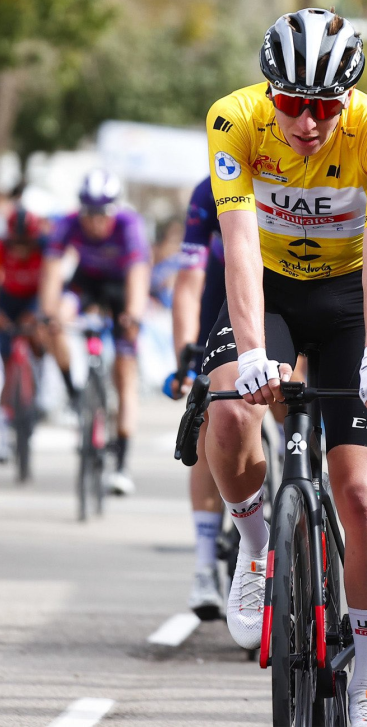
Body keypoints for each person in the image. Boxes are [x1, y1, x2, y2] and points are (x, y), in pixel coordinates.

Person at [204, 8, 367, 726]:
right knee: (230, 410)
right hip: (270, 289)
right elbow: (236, 245)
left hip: (351, 301)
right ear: (271, 93)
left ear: (348, 99)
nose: (307, 122)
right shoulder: (233, 119)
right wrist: (256, 353)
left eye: (324, 107)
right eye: (292, 104)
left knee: (359, 492)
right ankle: (259, 554)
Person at [40, 169, 150, 495]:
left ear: (113, 211)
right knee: (56, 319)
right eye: (88, 213)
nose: (94, 221)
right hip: (87, 284)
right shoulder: (68, 222)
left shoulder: (130, 226)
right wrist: (49, 315)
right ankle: (75, 396)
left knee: (125, 373)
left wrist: (133, 316)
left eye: (101, 213)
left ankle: (122, 465)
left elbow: (138, 275)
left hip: (120, 288)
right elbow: (51, 271)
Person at [168, 176, 229, 620]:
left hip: (288, 296)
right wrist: (186, 358)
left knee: (295, 395)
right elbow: (189, 281)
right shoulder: (209, 189)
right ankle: (205, 567)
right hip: (220, 299)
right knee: (209, 420)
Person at [0, 208, 49, 464]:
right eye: (16, 242)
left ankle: (39, 388)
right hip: (8, 302)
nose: (20, 248)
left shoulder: (44, 248)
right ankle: (2, 435)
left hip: (33, 301)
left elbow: (53, 283)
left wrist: (40, 313)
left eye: (25, 243)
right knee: (7, 367)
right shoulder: (0, 247)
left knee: (40, 338)